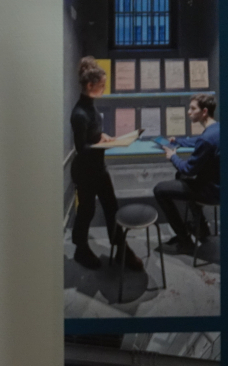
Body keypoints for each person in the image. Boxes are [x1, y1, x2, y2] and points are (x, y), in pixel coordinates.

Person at [70, 57, 143, 272]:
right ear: (89, 85)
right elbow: (81, 148)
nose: (104, 88)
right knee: (87, 210)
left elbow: (93, 133)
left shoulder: (90, 107)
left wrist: (103, 136)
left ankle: (121, 247)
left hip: (98, 168)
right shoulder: (79, 113)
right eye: (101, 85)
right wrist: (101, 144)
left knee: (112, 207)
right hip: (85, 171)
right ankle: (80, 249)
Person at [154, 94, 221, 254]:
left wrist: (173, 156)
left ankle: (185, 241)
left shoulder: (206, 139)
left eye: (192, 108)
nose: (188, 112)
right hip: (219, 185)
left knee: (159, 190)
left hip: (212, 192)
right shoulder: (217, 128)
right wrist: (178, 141)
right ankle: (201, 228)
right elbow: (199, 141)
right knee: (180, 178)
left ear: (204, 111)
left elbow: (188, 169)